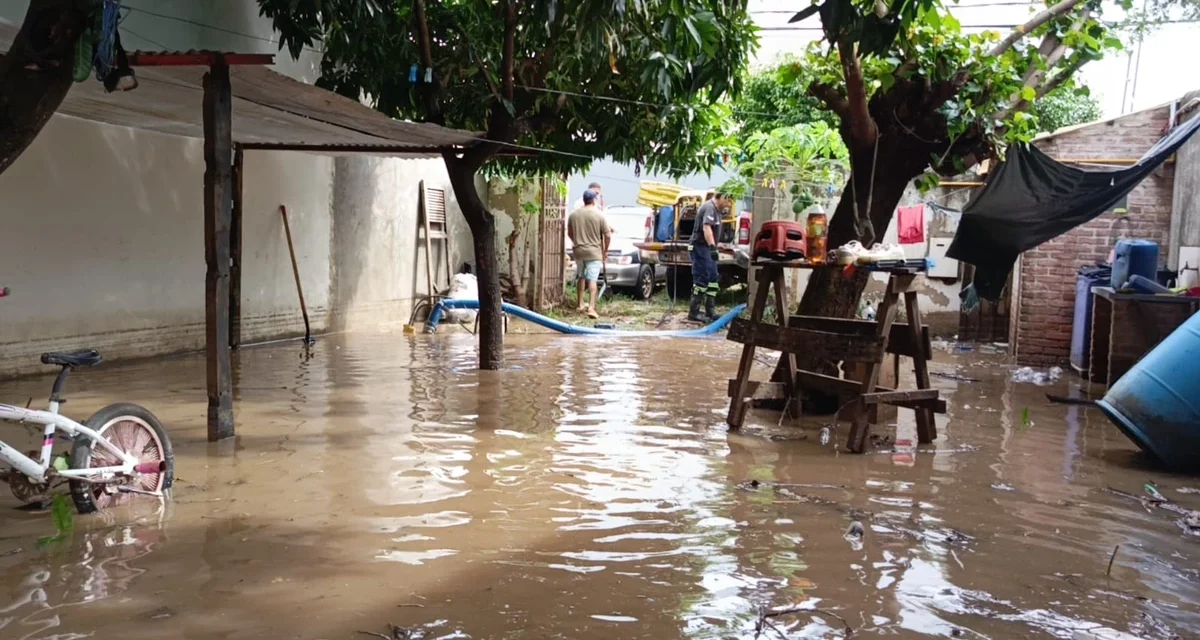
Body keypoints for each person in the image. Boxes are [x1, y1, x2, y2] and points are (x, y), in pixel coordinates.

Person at [567, 189, 611, 319]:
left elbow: (569, 232)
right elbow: (607, 235)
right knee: (592, 279)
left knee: (581, 277)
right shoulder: (599, 215)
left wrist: (576, 241)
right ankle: (591, 307)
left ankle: (580, 303)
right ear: (593, 200)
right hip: (594, 252)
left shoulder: (574, 215)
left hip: (579, 251)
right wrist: (605, 250)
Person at [688, 192, 732, 322]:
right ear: (721, 198)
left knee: (713, 279)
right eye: (728, 201)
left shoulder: (718, 210)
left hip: (708, 248)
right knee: (702, 278)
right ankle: (694, 312)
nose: (729, 205)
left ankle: (710, 311)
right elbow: (706, 228)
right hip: (700, 246)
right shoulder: (709, 208)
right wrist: (712, 247)